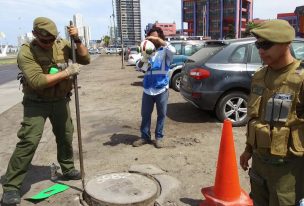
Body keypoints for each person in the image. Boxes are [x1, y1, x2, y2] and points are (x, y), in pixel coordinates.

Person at [2, 17, 90, 204]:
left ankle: (67, 169)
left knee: (66, 135)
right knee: (29, 140)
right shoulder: (26, 52)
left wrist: (78, 40)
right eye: (45, 41)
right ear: (34, 35)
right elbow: (37, 81)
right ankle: (11, 186)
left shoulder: (62, 44)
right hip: (37, 102)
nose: (49, 44)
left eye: (52, 40)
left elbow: (86, 59)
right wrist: (67, 72)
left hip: (60, 100)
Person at [239, 19, 304, 206]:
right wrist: (247, 150)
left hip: (288, 169)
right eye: (258, 44)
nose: (261, 50)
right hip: (259, 164)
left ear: (286, 43)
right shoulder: (259, 76)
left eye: (266, 44)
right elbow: (255, 117)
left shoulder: (300, 79)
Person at [133, 26, 176, 148]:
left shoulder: (165, 51)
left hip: (161, 88)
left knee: (161, 114)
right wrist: (144, 58)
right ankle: (145, 137)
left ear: (160, 38)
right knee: (145, 114)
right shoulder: (146, 51)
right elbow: (140, 67)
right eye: (151, 39)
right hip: (148, 89)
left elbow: (172, 50)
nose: (153, 41)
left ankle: (159, 137)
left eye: (156, 38)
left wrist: (158, 40)